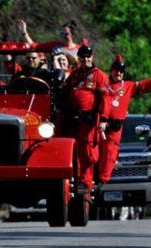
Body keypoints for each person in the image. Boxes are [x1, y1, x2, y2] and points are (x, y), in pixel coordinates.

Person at [97, 54, 151, 186]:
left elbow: (145, 85)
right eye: (116, 70)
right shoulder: (102, 85)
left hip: (115, 128)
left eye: (122, 71)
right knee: (95, 154)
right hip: (99, 126)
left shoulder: (127, 87)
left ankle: (102, 183)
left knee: (110, 154)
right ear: (111, 70)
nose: (119, 73)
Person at [60, 38, 110, 192]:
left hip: (89, 119)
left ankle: (85, 182)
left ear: (92, 57)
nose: (85, 60)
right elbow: (65, 91)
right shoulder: (74, 75)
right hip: (72, 118)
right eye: (82, 57)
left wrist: (103, 120)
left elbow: (106, 99)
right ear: (78, 58)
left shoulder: (99, 75)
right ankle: (69, 181)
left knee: (88, 153)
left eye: (88, 57)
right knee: (69, 150)